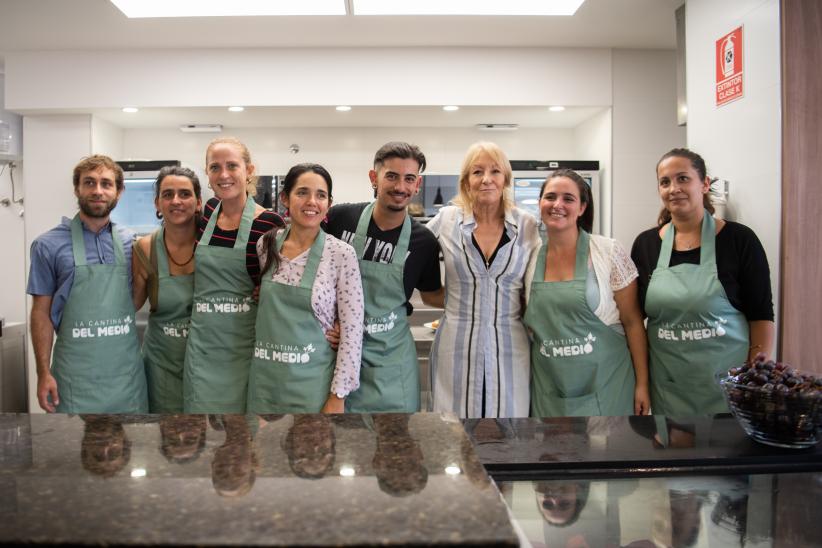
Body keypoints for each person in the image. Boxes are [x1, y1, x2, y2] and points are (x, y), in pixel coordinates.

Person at [631, 148, 775, 416]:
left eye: (683, 178)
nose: (674, 188)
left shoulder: (739, 240)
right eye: (665, 182)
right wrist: (642, 382)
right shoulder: (646, 245)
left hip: (730, 389)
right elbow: (635, 320)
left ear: (705, 183)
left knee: (728, 455)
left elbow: (761, 314)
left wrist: (754, 378)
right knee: (675, 457)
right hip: (669, 388)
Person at [323, 141, 443, 413]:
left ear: (417, 185)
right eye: (391, 176)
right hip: (337, 359)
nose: (400, 186)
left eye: (408, 178)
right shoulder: (340, 219)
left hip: (392, 367)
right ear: (373, 177)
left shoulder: (423, 241)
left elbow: (432, 294)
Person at [426, 142, 540, 418]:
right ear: (466, 181)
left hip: (511, 347)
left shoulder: (526, 225)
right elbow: (410, 253)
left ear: (506, 179)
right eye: (477, 172)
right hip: (456, 347)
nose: (486, 179)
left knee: (509, 434)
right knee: (452, 436)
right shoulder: (447, 220)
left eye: (495, 171)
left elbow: (535, 288)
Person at [524, 169, 650, 417]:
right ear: (540, 203)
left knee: (607, 453)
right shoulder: (529, 257)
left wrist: (643, 385)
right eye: (550, 197)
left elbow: (633, 323)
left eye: (568, 199)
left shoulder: (607, 251)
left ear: (582, 208)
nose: (557, 204)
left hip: (608, 386)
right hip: (550, 389)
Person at [28, 155, 147, 413]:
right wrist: (43, 373)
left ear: (119, 191)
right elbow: (41, 314)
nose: (98, 191)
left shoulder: (132, 243)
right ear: (77, 188)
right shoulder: (47, 245)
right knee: (75, 452)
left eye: (106, 184)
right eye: (89, 183)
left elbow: (135, 300)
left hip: (126, 380)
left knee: (132, 452)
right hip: (74, 381)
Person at [248, 163, 364, 414]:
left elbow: (352, 333)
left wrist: (338, 397)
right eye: (302, 192)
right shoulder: (265, 245)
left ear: (328, 204)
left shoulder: (341, 254)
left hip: (314, 388)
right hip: (265, 385)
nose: (312, 201)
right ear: (285, 198)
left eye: (321, 195)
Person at [183, 137, 284, 413]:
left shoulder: (269, 223)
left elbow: (281, 283)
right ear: (207, 173)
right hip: (203, 347)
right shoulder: (205, 215)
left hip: (245, 348)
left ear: (249, 170)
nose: (223, 175)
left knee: (243, 438)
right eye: (215, 167)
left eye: (232, 166)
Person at [132, 166, 201, 413]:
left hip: (207, 362)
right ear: (157, 203)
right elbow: (133, 304)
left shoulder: (213, 245)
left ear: (198, 201)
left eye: (184, 194)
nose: (176, 201)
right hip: (161, 365)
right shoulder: (146, 248)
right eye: (167, 194)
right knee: (169, 440)